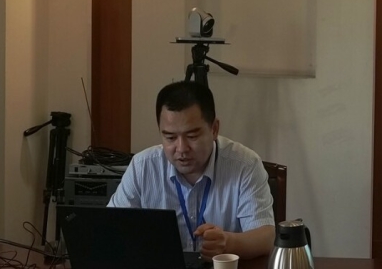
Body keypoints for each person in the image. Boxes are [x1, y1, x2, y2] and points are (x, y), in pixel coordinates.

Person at [108, 80, 276, 260]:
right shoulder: (142, 166)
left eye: (192, 136)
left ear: (214, 129)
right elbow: (110, 228)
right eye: (170, 137)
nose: (181, 148)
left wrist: (228, 242)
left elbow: (266, 237)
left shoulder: (244, 165)